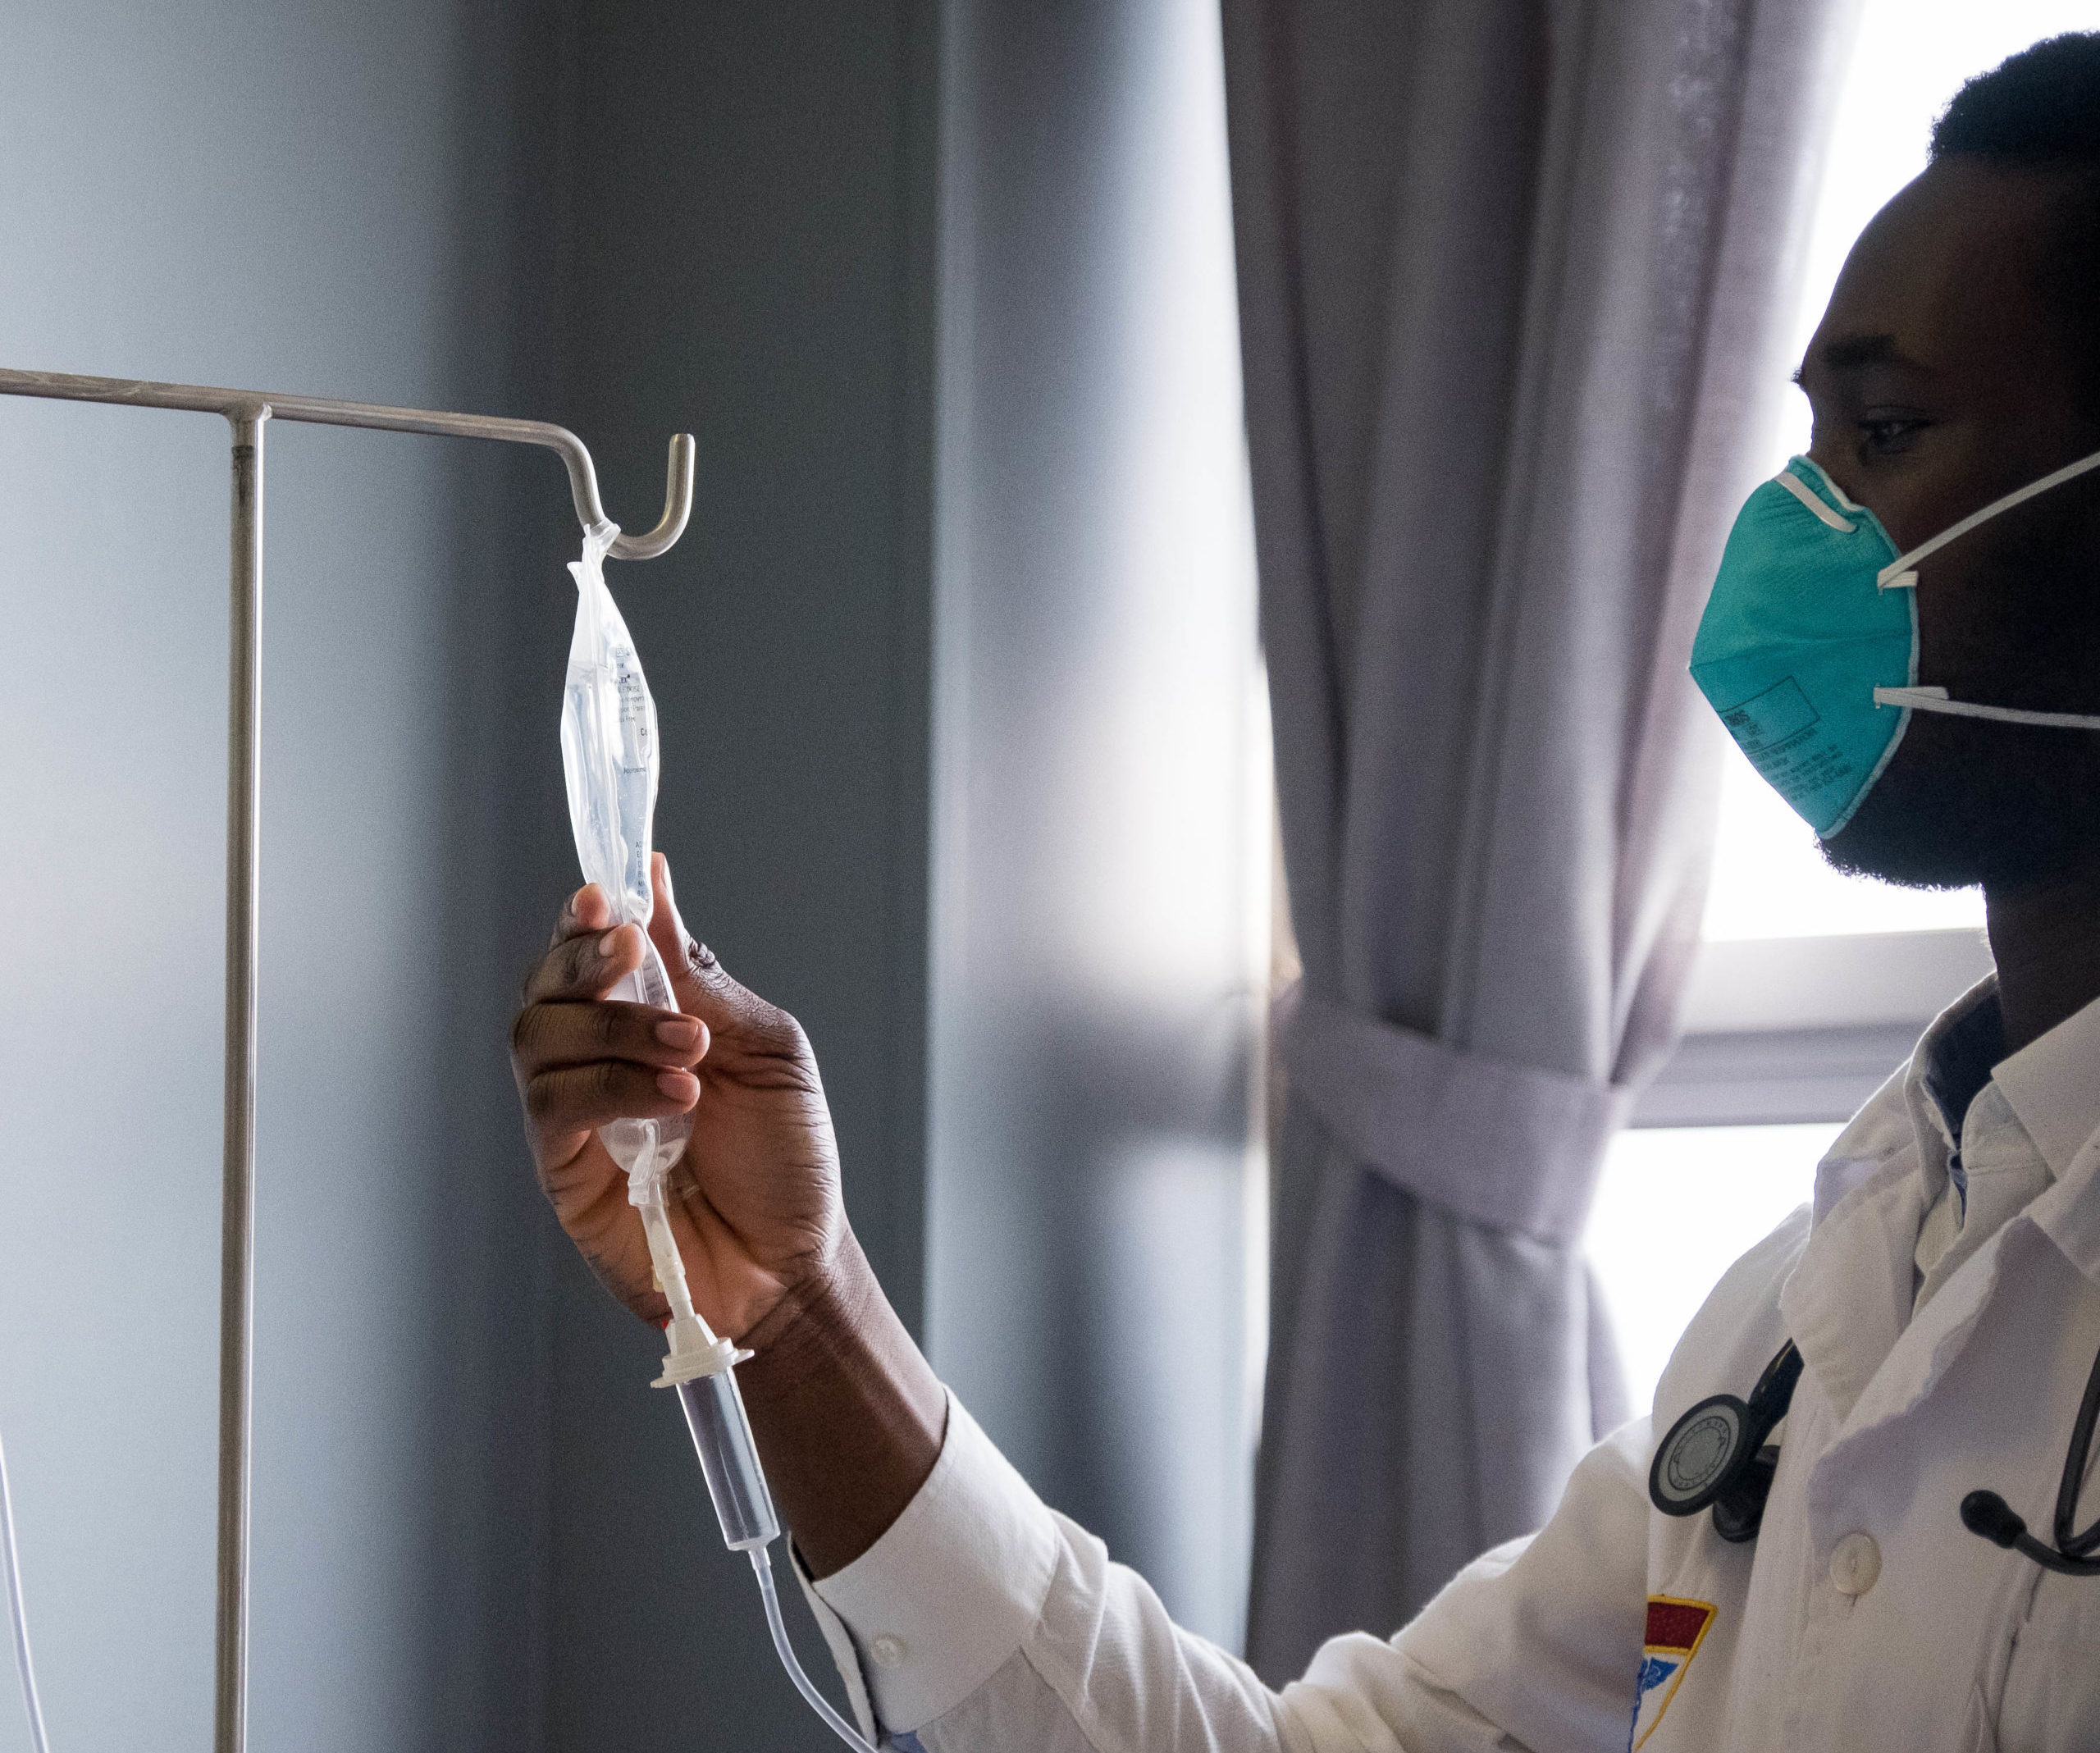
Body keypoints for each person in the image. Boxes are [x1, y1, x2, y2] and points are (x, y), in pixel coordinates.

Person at [509, 34, 2100, 1751]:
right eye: (1809, 443)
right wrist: (796, 1311)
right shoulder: (1806, 1312)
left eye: (1885, 432)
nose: (1791, 534)